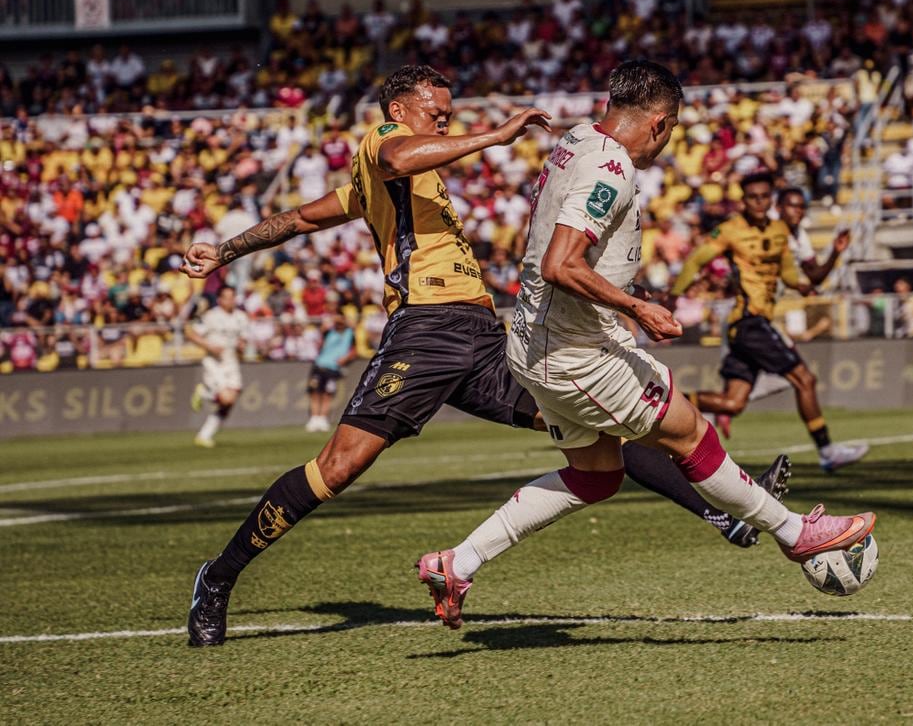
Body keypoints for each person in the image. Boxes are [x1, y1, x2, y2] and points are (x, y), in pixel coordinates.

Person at [181, 65, 785, 647]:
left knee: (602, 431)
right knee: (337, 469)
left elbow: (298, 218)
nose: (444, 123)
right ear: (398, 111)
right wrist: (494, 136)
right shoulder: (385, 144)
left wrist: (225, 250)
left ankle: (726, 513)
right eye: (435, 114)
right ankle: (219, 576)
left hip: (483, 337)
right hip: (424, 332)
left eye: (449, 115)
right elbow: (395, 157)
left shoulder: (393, 185)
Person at [416, 60, 876, 629]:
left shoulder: (577, 140)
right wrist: (637, 308)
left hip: (537, 342)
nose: (670, 138)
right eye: (673, 127)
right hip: (575, 353)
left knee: (596, 474)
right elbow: (562, 263)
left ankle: (457, 563)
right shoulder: (611, 169)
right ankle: (796, 532)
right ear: (658, 123)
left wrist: (628, 292)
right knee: (691, 434)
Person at [669, 173, 869, 473]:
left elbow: (792, 275)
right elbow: (697, 259)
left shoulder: (781, 233)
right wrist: (674, 297)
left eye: (764, 197)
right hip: (749, 322)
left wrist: (812, 275)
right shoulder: (732, 230)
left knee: (733, 403)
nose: (759, 203)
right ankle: (828, 451)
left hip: (753, 324)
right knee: (805, 380)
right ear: (745, 201)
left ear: (770, 200)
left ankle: (666, 401)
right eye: (753, 197)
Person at [186, 285, 249, 448]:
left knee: (229, 402)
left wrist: (241, 346)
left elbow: (243, 339)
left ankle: (204, 435)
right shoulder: (211, 316)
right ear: (220, 300)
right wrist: (208, 345)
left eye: (233, 297)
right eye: (227, 297)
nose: (231, 301)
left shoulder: (241, 317)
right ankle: (204, 392)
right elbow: (191, 334)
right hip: (214, 362)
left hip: (231, 361)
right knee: (225, 398)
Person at [305, 303, 356, 433]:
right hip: (320, 365)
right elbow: (321, 334)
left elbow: (354, 350)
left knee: (327, 394)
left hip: (333, 368)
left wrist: (345, 358)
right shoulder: (329, 332)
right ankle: (314, 418)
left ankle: (323, 418)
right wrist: (331, 321)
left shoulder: (349, 333)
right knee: (315, 392)